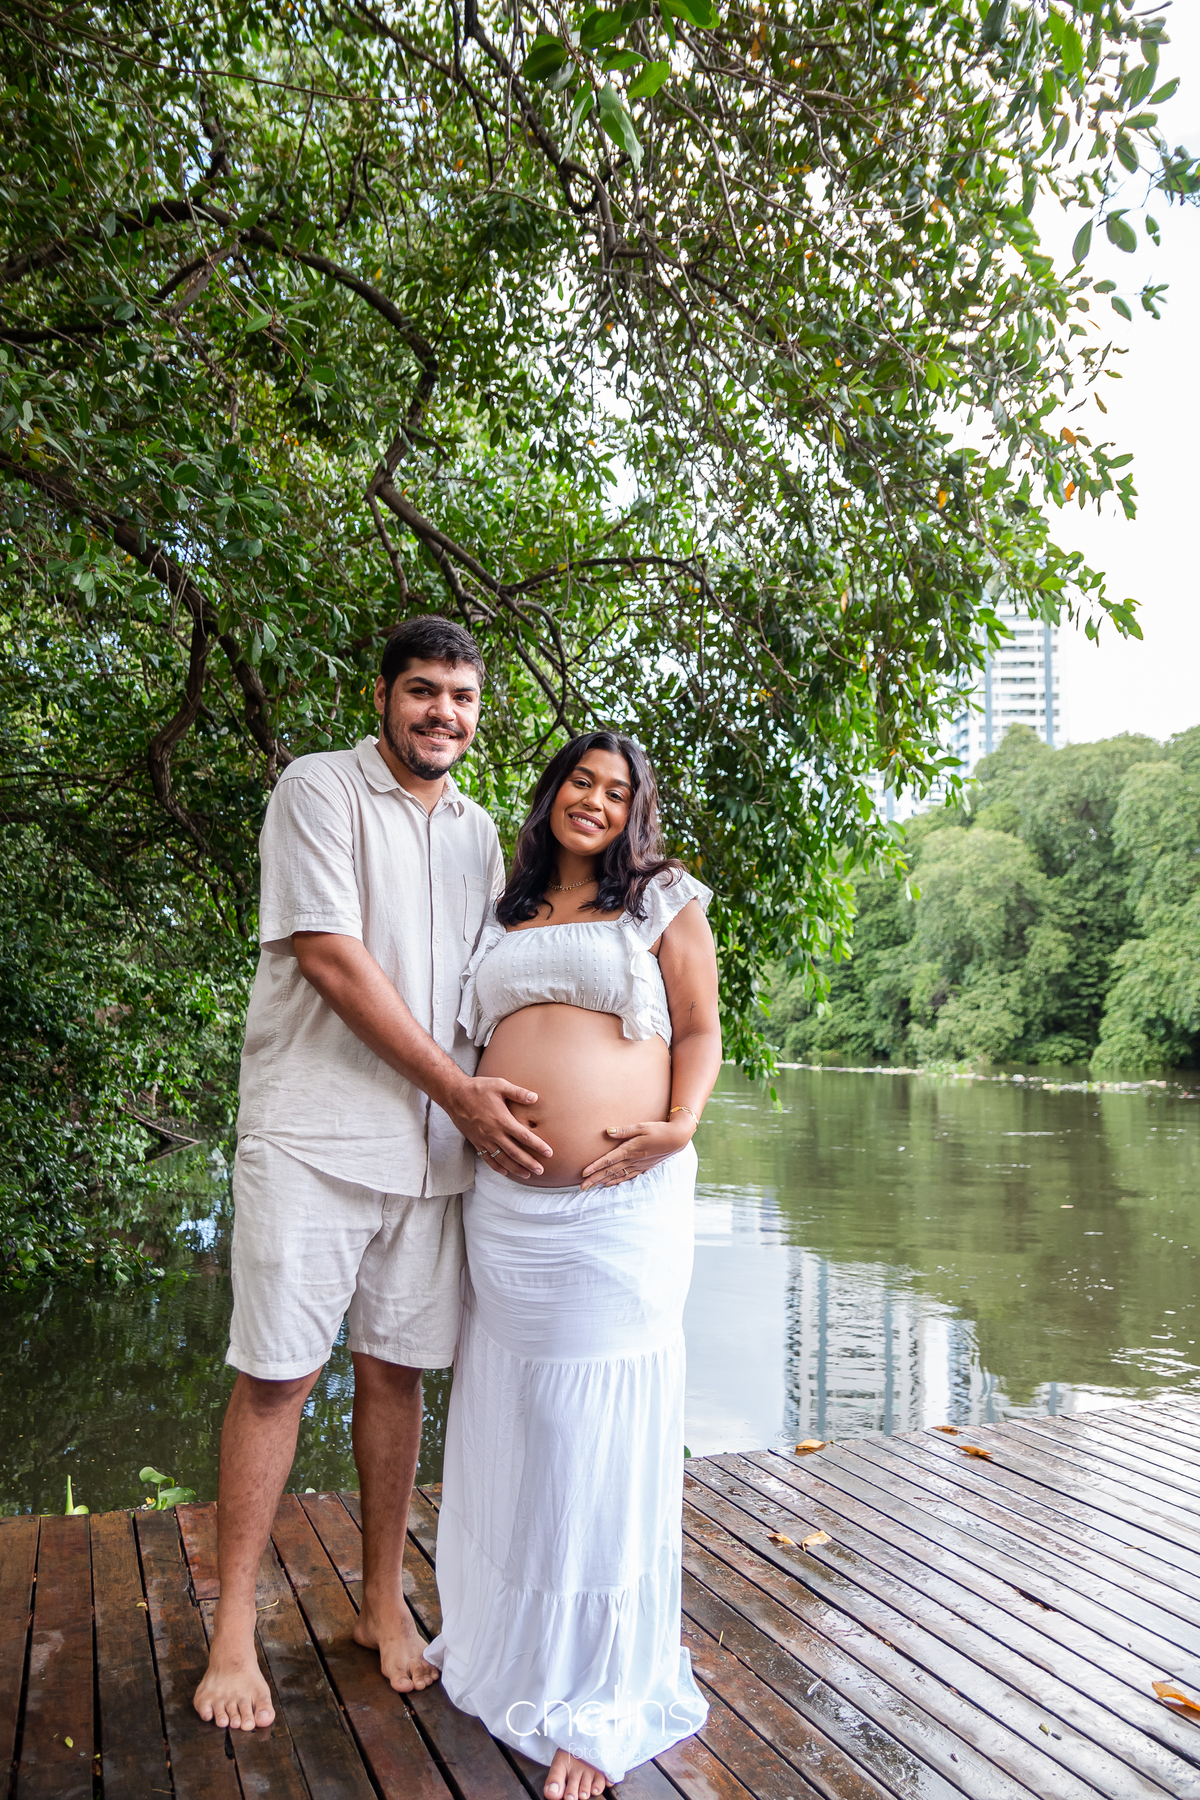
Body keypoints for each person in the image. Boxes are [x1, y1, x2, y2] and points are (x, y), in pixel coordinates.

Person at [193, 615, 553, 1732]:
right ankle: (234, 1627)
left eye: (461, 696)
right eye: (423, 691)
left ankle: (381, 1601)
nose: (443, 712)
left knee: (398, 1375)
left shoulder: (484, 835)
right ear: (384, 696)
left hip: (434, 1161)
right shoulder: (317, 791)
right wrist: (462, 1092)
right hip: (315, 1137)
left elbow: (499, 986)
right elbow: (333, 963)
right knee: (278, 1377)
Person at [425, 731, 723, 1800]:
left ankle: (603, 1690)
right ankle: (503, 1647)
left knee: (594, 1433)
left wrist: (678, 1125)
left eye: (617, 790)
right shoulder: (505, 914)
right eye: (579, 781)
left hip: (620, 1210)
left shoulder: (662, 902)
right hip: (508, 1211)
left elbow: (699, 1029)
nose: (593, 801)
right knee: (515, 1419)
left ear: (635, 811)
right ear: (550, 794)